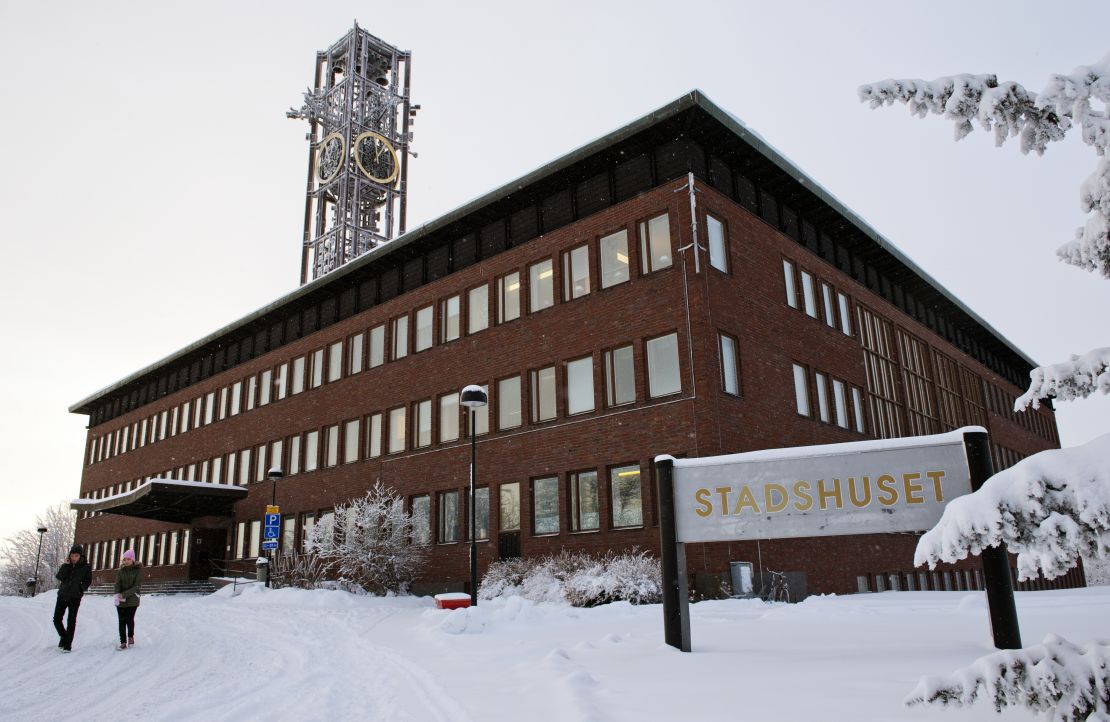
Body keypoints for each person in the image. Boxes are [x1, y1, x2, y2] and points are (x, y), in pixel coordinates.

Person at [53, 544, 92, 652]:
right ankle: (64, 636)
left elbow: (87, 581)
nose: (74, 558)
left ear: (80, 556)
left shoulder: (86, 567)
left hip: (75, 597)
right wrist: (65, 565)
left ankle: (67, 645)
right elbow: (59, 577)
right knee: (56, 619)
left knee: (71, 621)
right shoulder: (67, 565)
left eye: (76, 556)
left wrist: (80, 589)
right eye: (72, 555)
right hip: (62, 595)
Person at [113, 549, 142, 649]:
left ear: (133, 560)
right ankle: (123, 642)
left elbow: (136, 586)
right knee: (121, 621)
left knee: (129, 619)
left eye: (128, 559)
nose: (126, 561)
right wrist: (117, 594)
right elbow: (117, 584)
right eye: (124, 559)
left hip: (132, 600)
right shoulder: (121, 571)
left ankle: (130, 636)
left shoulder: (137, 571)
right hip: (120, 600)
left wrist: (124, 594)